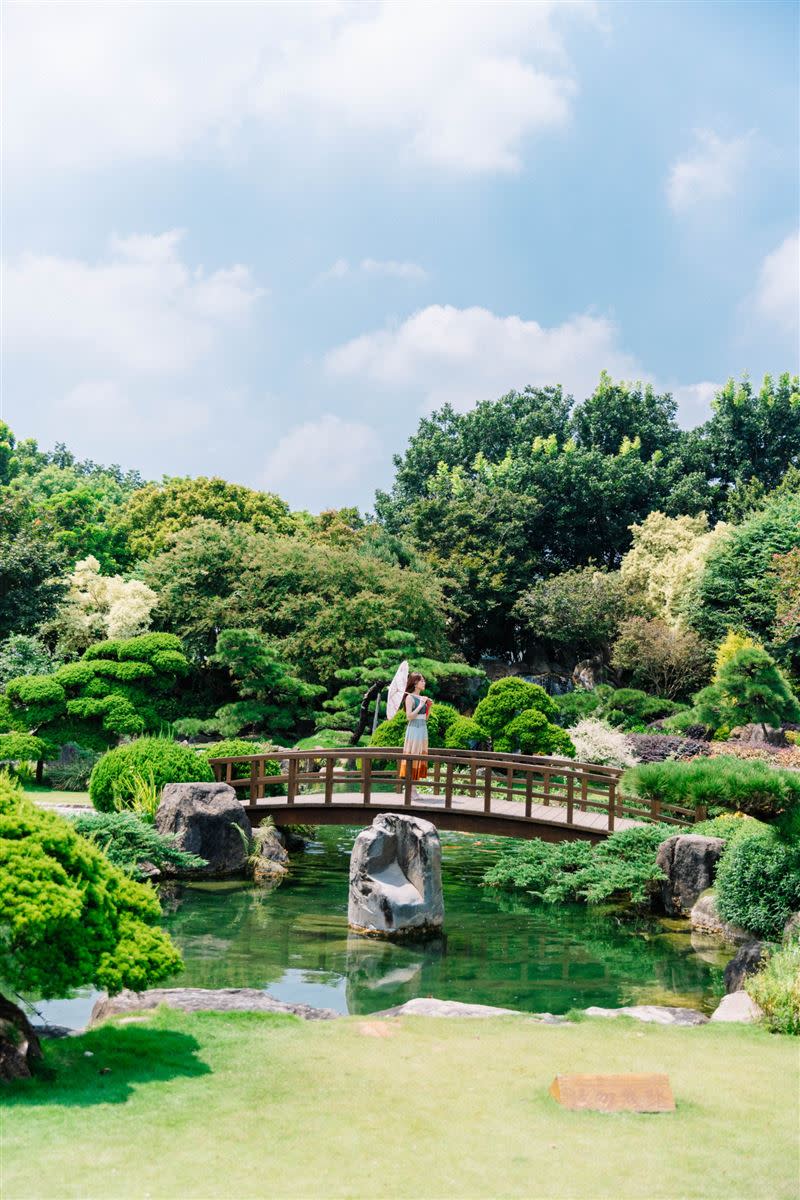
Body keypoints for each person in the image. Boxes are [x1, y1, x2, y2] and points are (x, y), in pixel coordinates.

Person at [398, 671, 431, 799]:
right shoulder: (410, 698)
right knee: (413, 757)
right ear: (415, 683)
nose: (424, 683)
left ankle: (413, 789)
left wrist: (428, 706)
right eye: (422, 680)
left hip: (422, 728)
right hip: (414, 730)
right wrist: (421, 704)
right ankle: (410, 790)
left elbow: (425, 718)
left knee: (419, 758)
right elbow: (409, 717)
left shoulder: (422, 698)